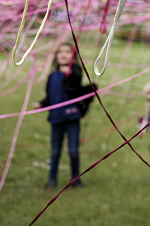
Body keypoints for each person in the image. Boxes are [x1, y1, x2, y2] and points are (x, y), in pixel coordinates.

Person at [33, 42, 95, 191]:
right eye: (60, 52)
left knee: (73, 150)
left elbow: (77, 78)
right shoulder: (52, 76)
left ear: (73, 56)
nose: (64, 54)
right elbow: (50, 97)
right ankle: (51, 180)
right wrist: (41, 104)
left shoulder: (75, 73)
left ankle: (76, 180)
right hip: (56, 119)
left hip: (72, 118)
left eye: (68, 52)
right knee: (55, 150)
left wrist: (70, 72)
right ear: (56, 56)